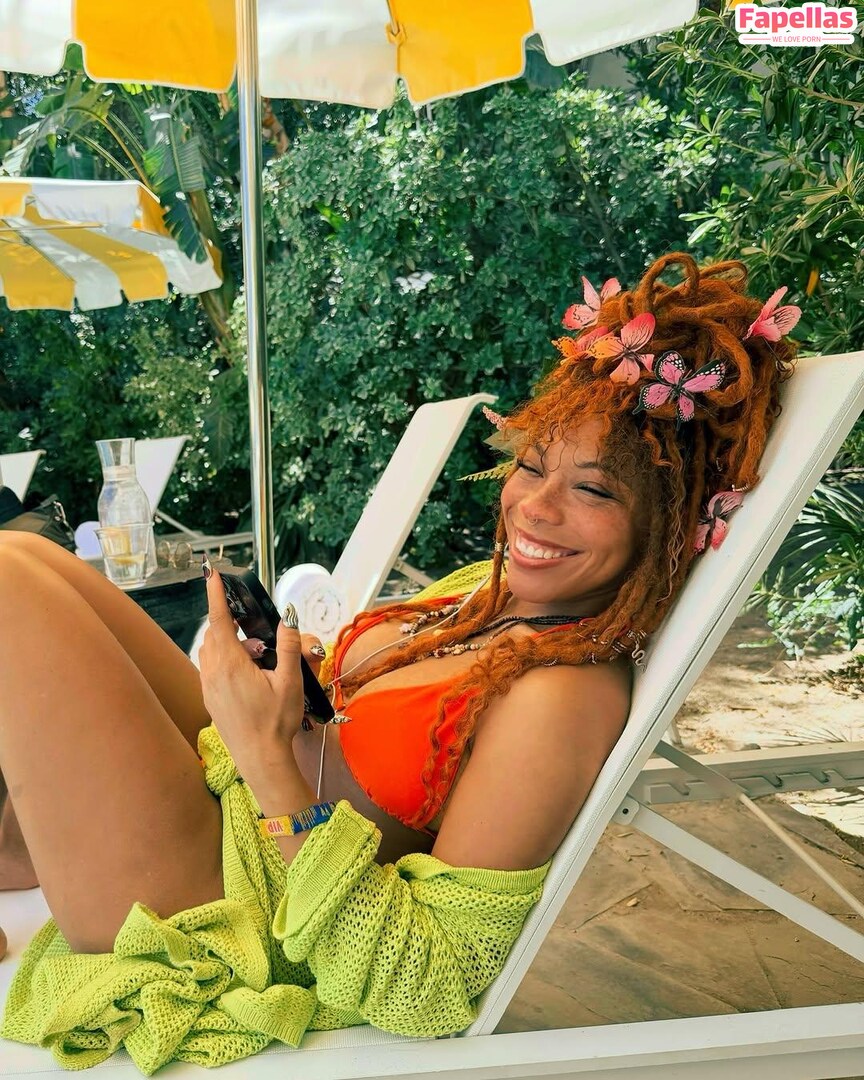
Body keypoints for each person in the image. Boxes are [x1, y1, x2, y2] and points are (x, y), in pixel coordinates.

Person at [0, 252, 798, 1073]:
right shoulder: (489, 595)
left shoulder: (561, 698)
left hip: (226, 901)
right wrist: (305, 684)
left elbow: (430, 987)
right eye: (531, 464)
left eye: (593, 491)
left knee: (8, 585)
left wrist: (268, 759)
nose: (536, 508)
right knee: (29, 557)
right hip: (226, 789)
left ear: (666, 522)